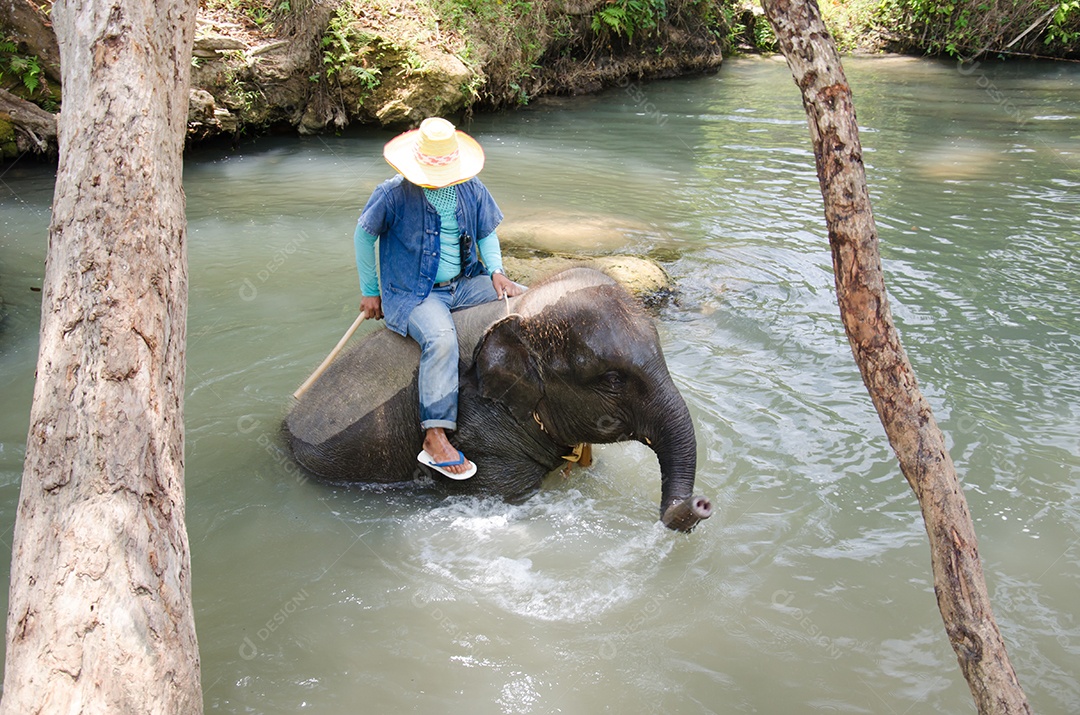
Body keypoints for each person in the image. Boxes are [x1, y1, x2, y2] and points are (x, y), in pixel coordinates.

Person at [353, 117, 524, 480]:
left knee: (527, 299)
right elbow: (363, 236)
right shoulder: (392, 194)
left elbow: (486, 233)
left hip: (464, 283)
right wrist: (371, 291)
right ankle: (434, 436)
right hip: (415, 293)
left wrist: (496, 271)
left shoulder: (470, 188)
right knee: (441, 339)